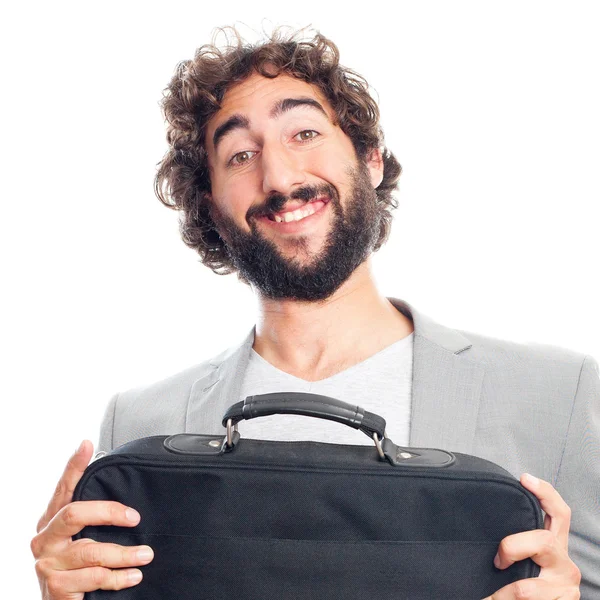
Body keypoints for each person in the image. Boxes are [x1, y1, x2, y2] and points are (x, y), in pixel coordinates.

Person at [31, 26, 598, 599]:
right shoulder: (139, 423)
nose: (278, 177)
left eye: (303, 132)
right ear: (212, 208)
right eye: (240, 155)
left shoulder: (560, 396)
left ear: (371, 159)